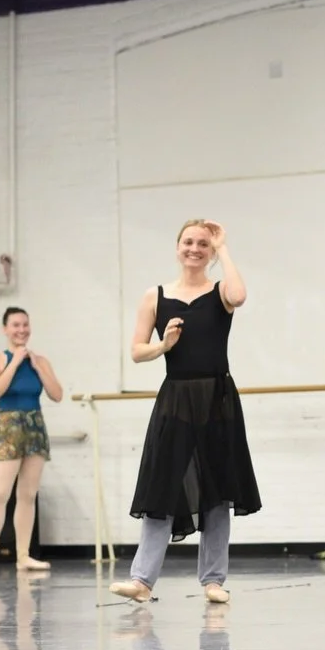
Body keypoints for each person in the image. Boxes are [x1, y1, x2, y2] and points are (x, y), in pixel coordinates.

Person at [109, 219, 261, 605]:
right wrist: (163, 345)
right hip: (175, 398)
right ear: (177, 247)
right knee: (161, 485)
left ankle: (213, 580)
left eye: (203, 244)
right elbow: (136, 350)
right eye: (189, 242)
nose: (195, 248)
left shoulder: (220, 291)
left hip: (217, 399)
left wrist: (223, 246)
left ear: (210, 252)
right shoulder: (155, 296)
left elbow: (240, 295)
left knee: (217, 492)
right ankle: (142, 581)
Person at [0, 306, 63, 573]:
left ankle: (23, 556)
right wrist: (15, 362)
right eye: (16, 325)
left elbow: (57, 394)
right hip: (8, 426)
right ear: (5, 329)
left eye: (25, 325)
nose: (21, 330)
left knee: (28, 494)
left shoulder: (40, 360)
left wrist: (36, 366)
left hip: (34, 426)